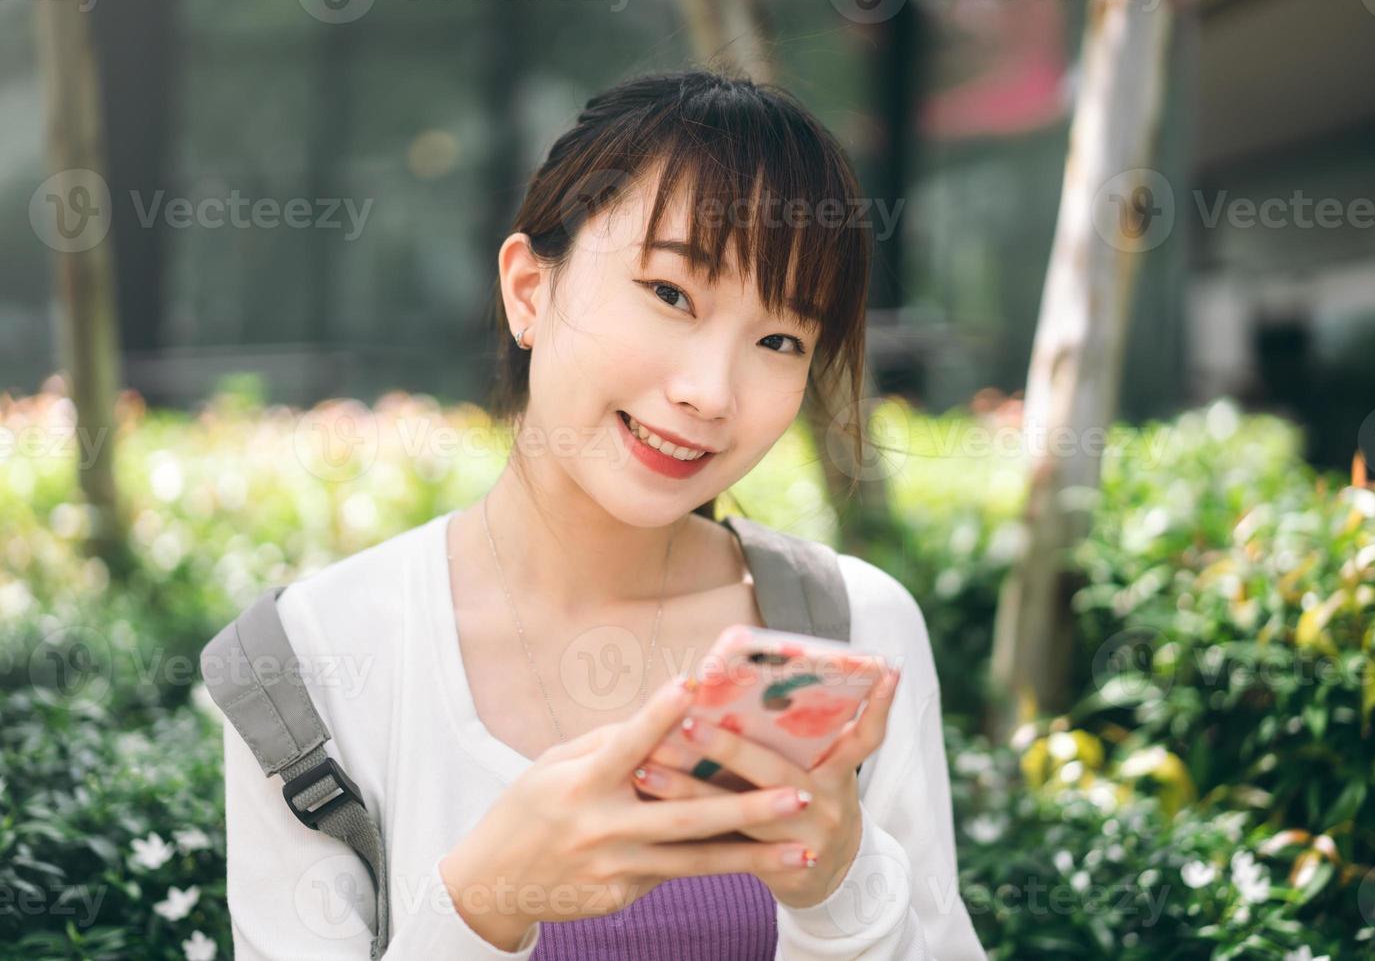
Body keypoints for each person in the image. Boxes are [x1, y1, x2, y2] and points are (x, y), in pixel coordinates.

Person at [221, 67, 987, 960]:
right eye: (670, 293)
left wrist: (840, 885)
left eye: (780, 340)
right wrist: (482, 903)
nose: (709, 392)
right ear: (529, 291)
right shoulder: (312, 662)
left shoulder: (848, 635)